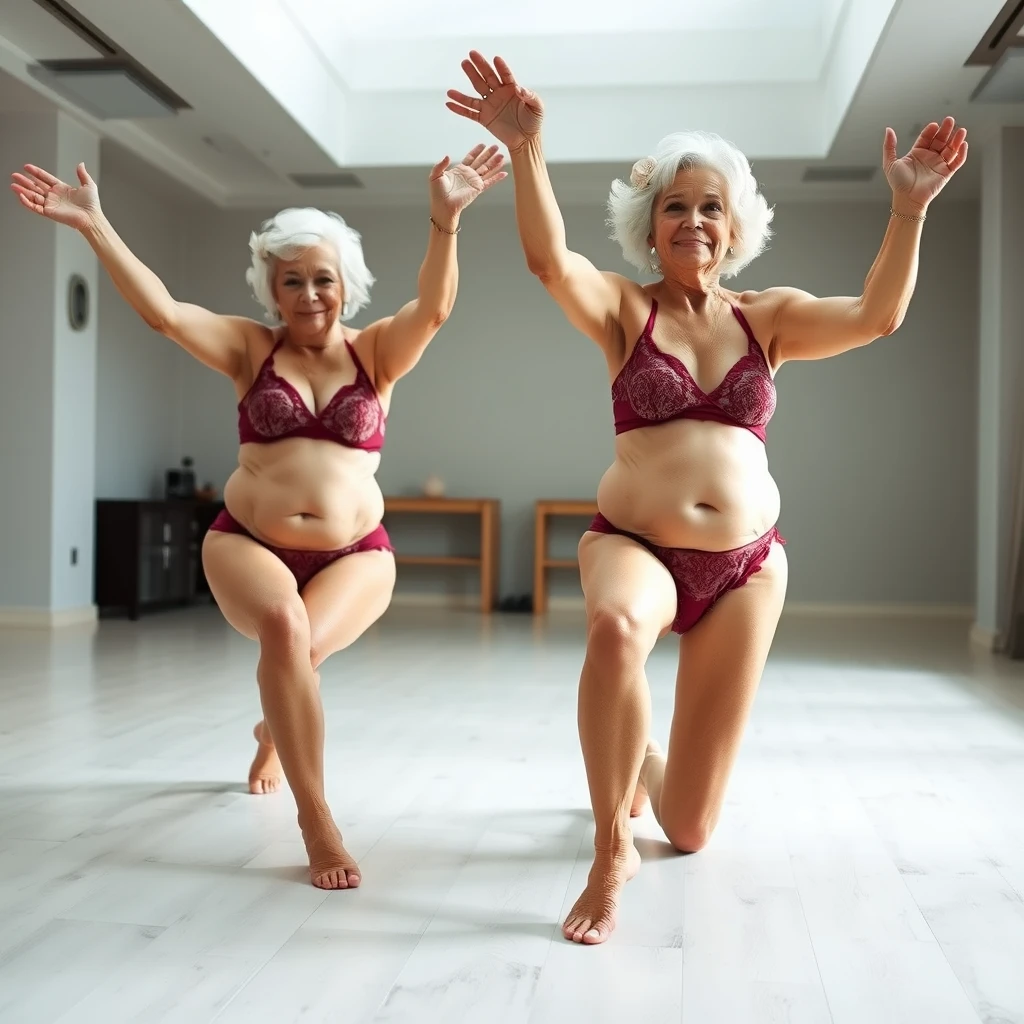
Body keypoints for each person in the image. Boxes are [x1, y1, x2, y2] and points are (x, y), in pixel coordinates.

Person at [447, 50, 968, 944]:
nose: (693, 219)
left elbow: (877, 316)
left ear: (735, 229)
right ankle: (610, 845)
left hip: (746, 570)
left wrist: (909, 209)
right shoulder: (621, 309)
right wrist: (528, 151)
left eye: (710, 207)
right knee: (614, 629)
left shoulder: (769, 317)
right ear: (651, 229)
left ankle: (645, 775)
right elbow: (547, 262)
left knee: (689, 829)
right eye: (675, 207)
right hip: (633, 546)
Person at [10, 143, 507, 890]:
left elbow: (434, 307)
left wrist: (445, 221)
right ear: (272, 290)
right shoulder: (251, 350)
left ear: (347, 285)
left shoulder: (376, 355)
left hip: (357, 554)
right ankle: (318, 819)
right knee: (285, 630)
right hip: (248, 543)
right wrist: (95, 227)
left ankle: (274, 732)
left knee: (294, 658)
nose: (310, 295)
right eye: (293, 281)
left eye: (324, 280)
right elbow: (166, 316)